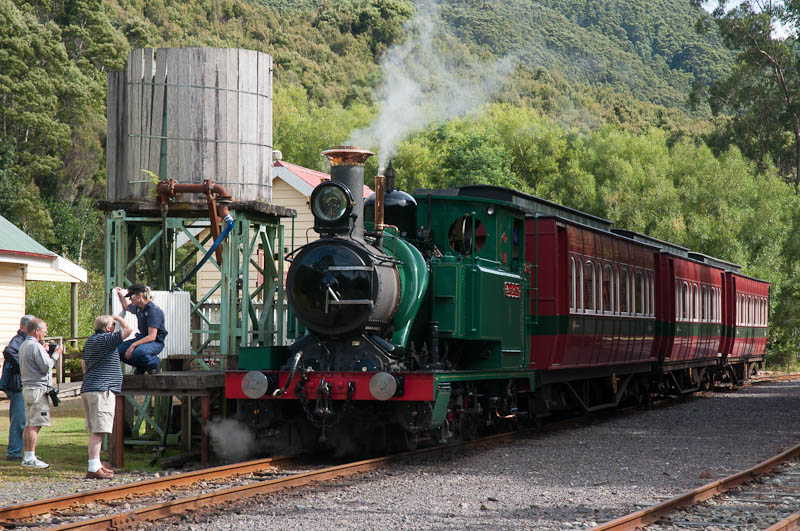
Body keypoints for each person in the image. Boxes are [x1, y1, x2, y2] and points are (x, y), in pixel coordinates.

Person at [81, 314, 132, 479]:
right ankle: (93, 467)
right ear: (109, 327)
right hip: (103, 390)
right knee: (99, 430)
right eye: (113, 326)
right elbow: (128, 330)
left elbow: (84, 365)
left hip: (90, 387)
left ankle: (95, 464)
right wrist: (118, 317)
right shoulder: (106, 340)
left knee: (96, 429)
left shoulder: (90, 341)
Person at [19, 318, 62, 469]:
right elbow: (46, 366)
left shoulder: (25, 345)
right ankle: (30, 458)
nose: (45, 333)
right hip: (37, 389)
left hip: (28, 388)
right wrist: (55, 355)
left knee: (29, 423)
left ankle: (28, 455)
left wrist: (43, 351)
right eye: (44, 330)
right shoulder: (34, 346)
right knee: (35, 424)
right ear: (37, 331)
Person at [0, 315, 35, 461]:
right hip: (17, 385)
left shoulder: (23, 340)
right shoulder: (19, 339)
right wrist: (23, 364)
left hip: (20, 384)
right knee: (19, 420)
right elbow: (8, 351)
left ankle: (20, 450)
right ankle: (14, 452)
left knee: (24, 419)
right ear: (24, 327)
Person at [114, 284, 167, 374]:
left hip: (155, 342)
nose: (130, 299)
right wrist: (121, 294)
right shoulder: (139, 308)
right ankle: (142, 365)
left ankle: (154, 363)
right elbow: (127, 307)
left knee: (139, 352)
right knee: (117, 351)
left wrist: (132, 345)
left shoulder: (153, 311)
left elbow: (152, 336)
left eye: (131, 297)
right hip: (142, 338)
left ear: (139, 295)